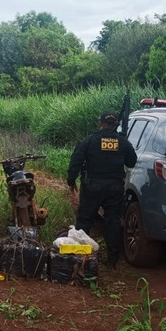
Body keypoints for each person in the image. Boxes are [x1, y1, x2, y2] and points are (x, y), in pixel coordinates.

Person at [67, 110, 137, 268]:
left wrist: (71, 181)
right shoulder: (123, 142)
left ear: (101, 123)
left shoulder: (90, 140)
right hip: (115, 187)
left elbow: (76, 160)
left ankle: (81, 258)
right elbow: (132, 162)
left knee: (85, 220)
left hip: (92, 186)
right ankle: (112, 259)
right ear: (115, 125)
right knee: (113, 221)